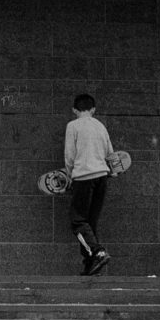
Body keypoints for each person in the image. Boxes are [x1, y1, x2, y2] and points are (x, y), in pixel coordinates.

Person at [64, 93, 115, 276]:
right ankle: (89, 262)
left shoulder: (73, 126)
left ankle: (98, 252)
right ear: (93, 109)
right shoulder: (100, 126)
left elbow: (70, 155)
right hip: (102, 177)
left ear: (74, 110)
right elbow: (110, 153)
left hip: (83, 176)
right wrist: (113, 171)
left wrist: (70, 175)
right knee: (90, 223)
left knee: (77, 221)